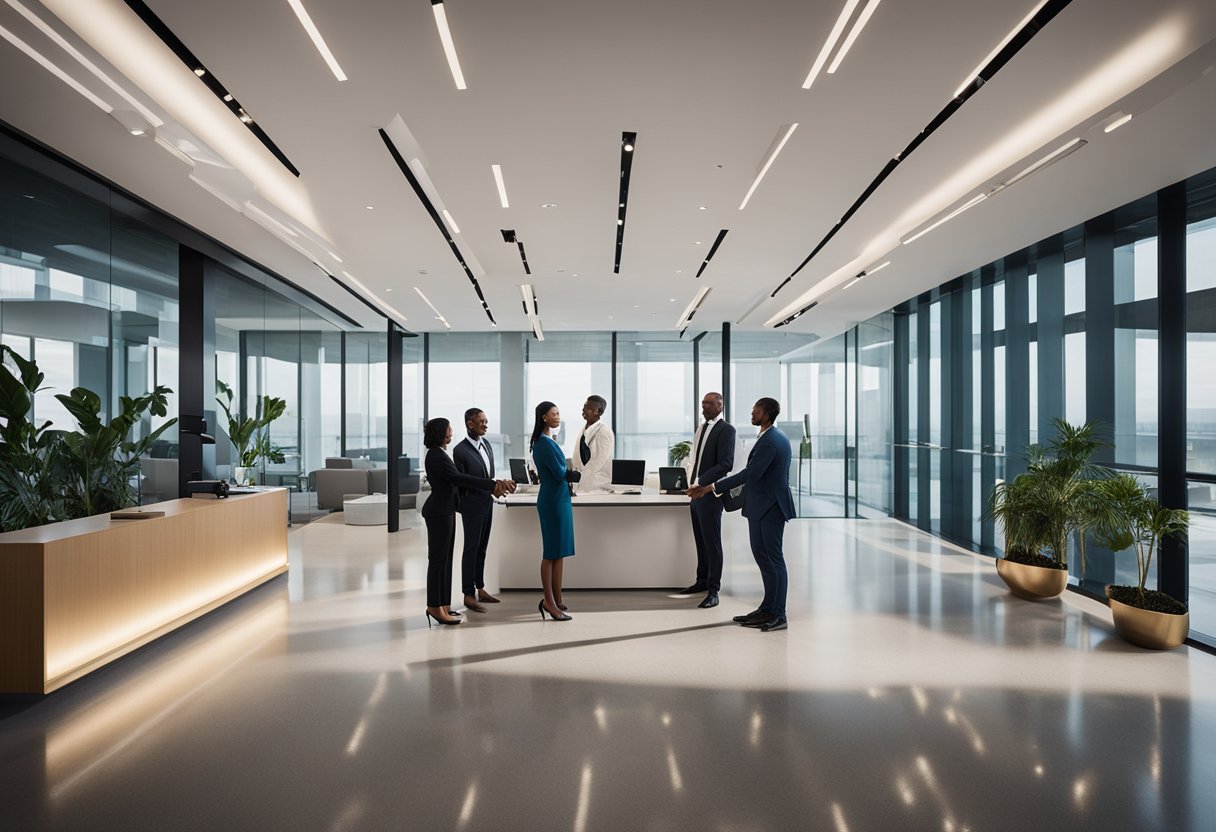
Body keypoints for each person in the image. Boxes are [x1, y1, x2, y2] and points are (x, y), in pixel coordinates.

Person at [688, 397, 795, 632]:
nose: (752, 413)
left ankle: (779, 614)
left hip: (770, 507)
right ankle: (767, 609)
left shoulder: (771, 440)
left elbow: (750, 474)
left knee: (773, 559)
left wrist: (711, 487)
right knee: (763, 558)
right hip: (761, 505)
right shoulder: (768, 436)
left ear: (766, 414)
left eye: (755, 410)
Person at [421, 417, 511, 627]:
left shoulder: (439, 453)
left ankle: (442, 604)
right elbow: (458, 478)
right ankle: (434, 607)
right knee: (437, 561)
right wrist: (492, 484)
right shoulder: (436, 455)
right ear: (441, 432)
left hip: (446, 510)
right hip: (439, 512)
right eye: (449, 429)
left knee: (445, 560)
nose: (452, 432)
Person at [453, 407, 515, 613]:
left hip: (487, 503)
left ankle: (480, 588)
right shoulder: (459, 450)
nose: (486, 424)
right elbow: (462, 482)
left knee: (482, 548)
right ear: (470, 424)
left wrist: (495, 490)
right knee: (471, 549)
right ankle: (467, 594)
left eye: (486, 421)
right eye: (482, 421)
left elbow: (488, 475)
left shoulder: (486, 444)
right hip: (471, 506)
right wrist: (491, 485)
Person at [681, 392, 736, 609]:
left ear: (720, 406)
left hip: (710, 493)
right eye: (703, 403)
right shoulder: (701, 428)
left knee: (712, 543)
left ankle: (714, 590)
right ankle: (701, 581)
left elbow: (726, 463)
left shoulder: (726, 430)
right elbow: (695, 458)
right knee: (700, 541)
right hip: (695, 493)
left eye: (710, 403)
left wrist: (702, 482)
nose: (704, 406)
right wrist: (690, 481)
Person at [530, 401, 579, 620]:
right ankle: (549, 602)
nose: (558, 417)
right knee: (551, 552)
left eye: (559, 413)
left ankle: (557, 598)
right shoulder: (544, 443)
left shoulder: (548, 441)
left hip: (559, 498)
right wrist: (572, 470)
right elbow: (561, 472)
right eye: (554, 414)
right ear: (544, 417)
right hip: (553, 500)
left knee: (559, 551)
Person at [570, 395, 614, 493]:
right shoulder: (584, 429)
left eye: (588, 408)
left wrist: (580, 478)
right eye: (584, 406)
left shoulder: (604, 431)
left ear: (598, 412)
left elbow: (597, 462)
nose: (584, 410)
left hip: (598, 487)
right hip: (583, 486)